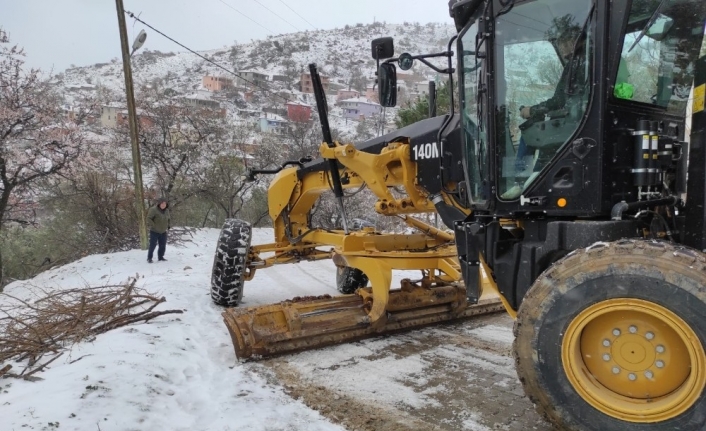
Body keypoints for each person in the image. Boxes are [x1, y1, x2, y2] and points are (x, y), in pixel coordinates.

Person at [147, 198, 170, 263]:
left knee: (162, 245)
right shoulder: (153, 210)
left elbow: (168, 219)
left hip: (163, 231)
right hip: (154, 231)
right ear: (159, 204)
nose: (163, 205)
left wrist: (168, 226)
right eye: (162, 203)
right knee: (152, 245)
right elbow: (148, 218)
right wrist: (154, 225)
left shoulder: (167, 211)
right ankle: (149, 258)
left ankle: (160, 257)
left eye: (165, 204)